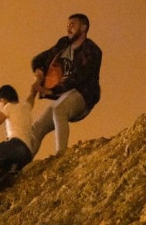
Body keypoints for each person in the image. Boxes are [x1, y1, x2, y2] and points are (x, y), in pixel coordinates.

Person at [29, 13, 102, 156]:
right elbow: (40, 58)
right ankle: (19, 166)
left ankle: (61, 154)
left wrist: (52, 90)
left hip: (83, 94)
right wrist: (38, 70)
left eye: (72, 25)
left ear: (83, 27)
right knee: (37, 127)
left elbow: (78, 77)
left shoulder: (92, 51)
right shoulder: (63, 44)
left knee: (59, 111)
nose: (68, 28)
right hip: (63, 96)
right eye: (67, 25)